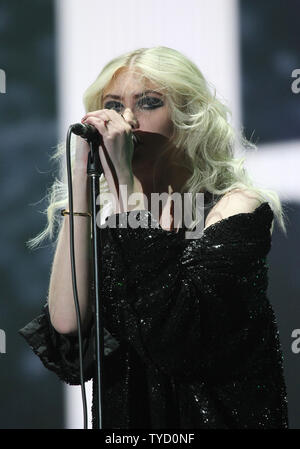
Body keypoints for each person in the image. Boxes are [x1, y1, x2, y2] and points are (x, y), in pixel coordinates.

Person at [19, 46, 289, 429]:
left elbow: (177, 339)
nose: (127, 120)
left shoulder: (233, 209)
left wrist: (125, 186)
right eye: (113, 105)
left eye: (148, 102)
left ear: (188, 117)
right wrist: (81, 179)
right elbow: (68, 326)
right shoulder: (111, 218)